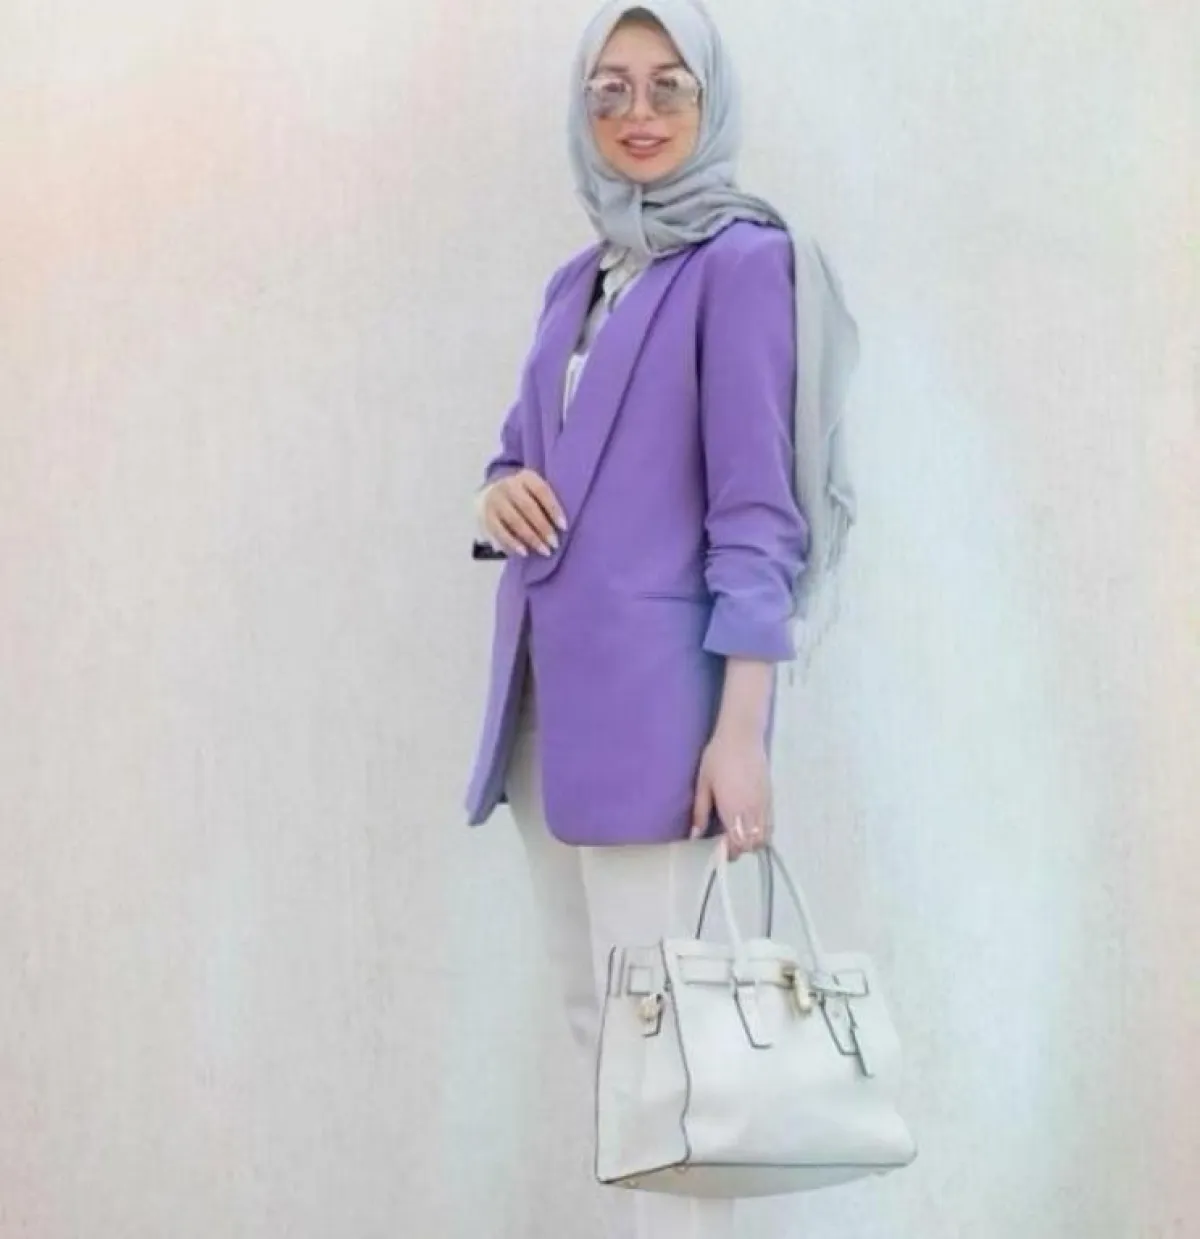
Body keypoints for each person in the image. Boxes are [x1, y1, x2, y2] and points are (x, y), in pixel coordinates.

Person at [463, 2, 858, 1235]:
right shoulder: (577, 278)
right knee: (603, 1030)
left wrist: (741, 730)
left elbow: (758, 515)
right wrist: (494, 491)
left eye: (668, 86)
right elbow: (524, 452)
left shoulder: (741, 265)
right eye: (611, 90)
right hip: (547, 710)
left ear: (710, 99)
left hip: (662, 718)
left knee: (675, 1055)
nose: (637, 114)